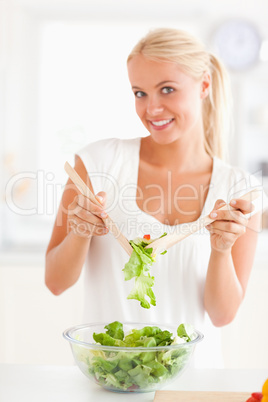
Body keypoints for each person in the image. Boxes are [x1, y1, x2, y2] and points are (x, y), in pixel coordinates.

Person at [45, 28, 267, 368]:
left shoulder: (239, 191)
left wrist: (220, 250)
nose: (152, 108)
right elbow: (56, 283)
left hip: (195, 381)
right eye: (140, 93)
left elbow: (222, 316)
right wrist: (80, 231)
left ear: (204, 86)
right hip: (112, 375)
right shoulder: (97, 163)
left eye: (167, 89)